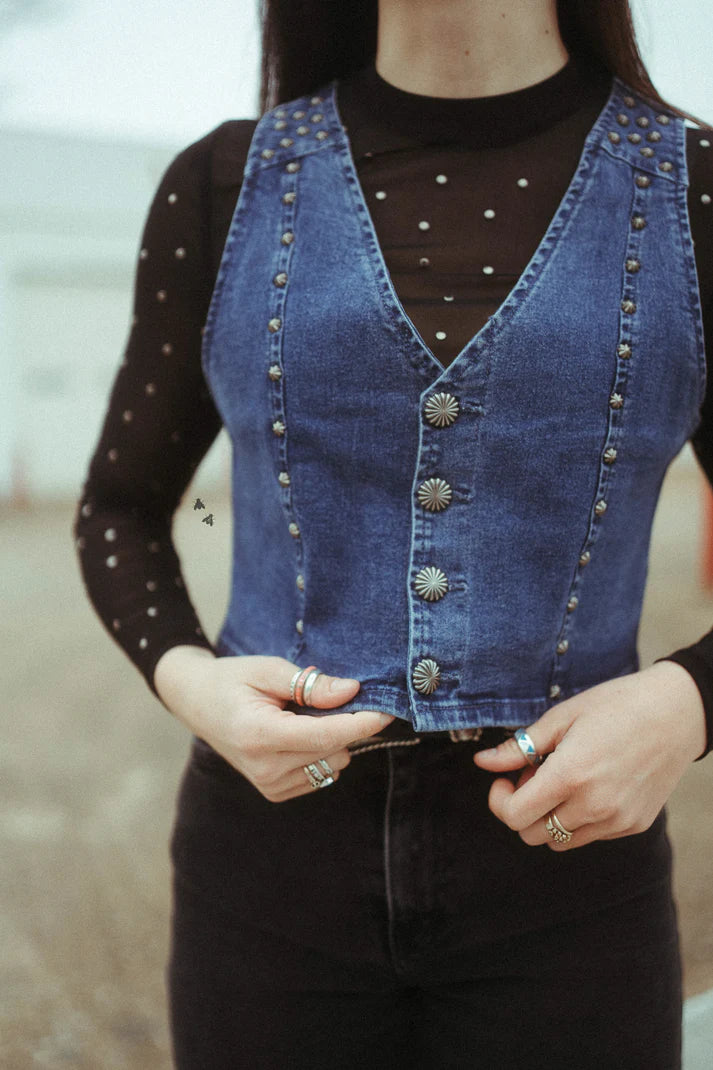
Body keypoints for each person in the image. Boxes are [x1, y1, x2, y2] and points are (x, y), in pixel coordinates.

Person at [73, 1, 713, 1066]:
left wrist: (686, 700)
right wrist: (192, 683)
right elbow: (118, 506)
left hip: (567, 875)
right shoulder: (223, 184)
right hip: (265, 867)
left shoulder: (691, 192)